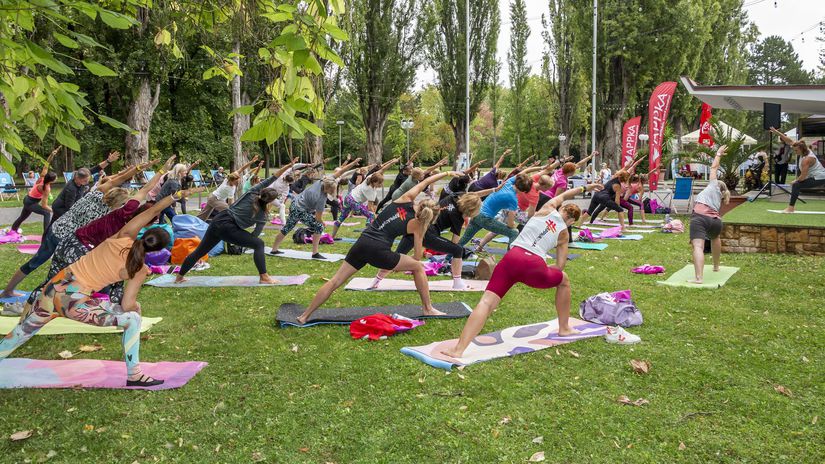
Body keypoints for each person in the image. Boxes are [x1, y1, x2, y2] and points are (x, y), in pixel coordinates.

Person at [0, 202, 174, 387]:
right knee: (133, 319)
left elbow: (152, 211)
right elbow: (127, 305)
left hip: (53, 288)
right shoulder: (139, 268)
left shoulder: (121, 237)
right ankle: (135, 375)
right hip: (71, 301)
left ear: (144, 233)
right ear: (159, 250)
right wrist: (137, 308)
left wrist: (174, 196)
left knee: (23, 331)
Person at [440, 182, 604, 359]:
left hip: (511, 258)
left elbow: (565, 195)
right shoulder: (564, 234)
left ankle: (459, 349)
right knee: (563, 279)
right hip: (534, 266)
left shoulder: (548, 207)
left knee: (486, 303)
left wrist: (588, 187)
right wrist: (543, 269)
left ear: (561, 209)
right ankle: (564, 328)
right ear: (571, 221)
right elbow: (560, 266)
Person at [293, 171, 460, 325]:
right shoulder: (418, 226)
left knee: (335, 281)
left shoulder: (404, 199)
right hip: (379, 252)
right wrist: (402, 263)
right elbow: (417, 257)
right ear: (430, 218)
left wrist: (446, 173)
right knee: (417, 267)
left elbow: (424, 183)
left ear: (421, 202)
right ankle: (428, 308)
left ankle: (305, 315)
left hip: (362, 243)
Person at [1, 160, 158, 301]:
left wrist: (136, 169)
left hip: (55, 229)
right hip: (67, 241)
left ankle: (9, 291)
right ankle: (57, 299)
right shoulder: (109, 214)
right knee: (70, 274)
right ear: (117, 204)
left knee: (36, 262)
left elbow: (117, 179)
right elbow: (123, 184)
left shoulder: (95, 193)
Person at [175, 159, 300, 285]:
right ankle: (264, 277)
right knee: (259, 244)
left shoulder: (251, 192)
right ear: (270, 201)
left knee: (200, 251)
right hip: (228, 227)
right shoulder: (262, 216)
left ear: (262, 191)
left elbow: (273, 178)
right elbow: (255, 236)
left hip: (219, 219)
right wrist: (241, 240)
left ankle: (179, 277)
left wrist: (288, 166)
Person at [269, 157, 362, 259]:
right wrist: (323, 222)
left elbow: (341, 171)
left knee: (288, 227)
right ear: (329, 189)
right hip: (299, 209)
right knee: (319, 226)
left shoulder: (324, 181)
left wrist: (354, 162)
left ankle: (274, 249)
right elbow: (318, 218)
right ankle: (315, 253)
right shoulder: (320, 199)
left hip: (295, 203)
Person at [457, 172, 535, 250]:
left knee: (464, 239)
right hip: (485, 218)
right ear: (523, 191)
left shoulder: (508, 183)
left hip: (476, 213)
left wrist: (539, 170)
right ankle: (509, 260)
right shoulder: (513, 200)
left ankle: (448, 258)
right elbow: (510, 224)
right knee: (514, 232)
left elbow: (521, 174)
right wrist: (513, 225)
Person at [688, 145, 730, 284]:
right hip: (716, 221)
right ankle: (716, 267)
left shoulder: (713, 186)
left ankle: (699, 278)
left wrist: (718, 154)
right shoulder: (720, 197)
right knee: (715, 237)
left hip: (700, 218)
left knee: (698, 246)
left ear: (717, 184)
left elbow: (713, 168)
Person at [331, 158, 398, 238]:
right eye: (380, 183)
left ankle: (332, 237)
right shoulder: (370, 191)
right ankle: (367, 237)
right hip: (353, 201)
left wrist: (392, 162)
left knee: (342, 217)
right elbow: (370, 208)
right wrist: (375, 216)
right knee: (371, 215)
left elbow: (383, 169)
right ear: (375, 182)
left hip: (348, 197)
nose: (381, 185)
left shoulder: (370, 177)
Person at [51, 151, 121, 223]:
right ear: (77, 178)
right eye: (85, 181)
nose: (87, 182)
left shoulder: (83, 174)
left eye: (88, 180)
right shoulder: (72, 189)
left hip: (65, 206)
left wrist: (108, 161)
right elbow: (70, 208)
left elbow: (97, 168)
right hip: (60, 208)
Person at [771, 127, 825, 212]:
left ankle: (791, 208)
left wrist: (795, 180)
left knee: (797, 185)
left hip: (821, 177)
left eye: (796, 151)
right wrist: (776, 132)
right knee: (797, 184)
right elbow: (788, 140)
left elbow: (803, 177)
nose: (795, 152)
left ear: (801, 149)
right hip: (816, 176)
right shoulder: (802, 148)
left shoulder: (807, 159)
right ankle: (791, 207)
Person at [10, 147, 59, 238]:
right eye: (55, 178)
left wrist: (52, 155)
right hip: (31, 202)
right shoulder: (46, 189)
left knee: (23, 217)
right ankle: (46, 235)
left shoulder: (43, 176)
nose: (56, 178)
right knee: (46, 213)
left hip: (27, 199)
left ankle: (13, 229)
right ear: (51, 181)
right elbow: (44, 206)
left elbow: (46, 164)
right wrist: (54, 210)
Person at [197, 156, 259, 221]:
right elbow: (230, 204)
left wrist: (251, 162)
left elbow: (242, 168)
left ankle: (195, 223)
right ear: (232, 180)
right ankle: (223, 224)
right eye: (236, 181)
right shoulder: (229, 189)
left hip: (213, 197)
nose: (238, 182)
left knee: (203, 216)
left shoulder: (228, 178)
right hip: (215, 199)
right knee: (228, 211)